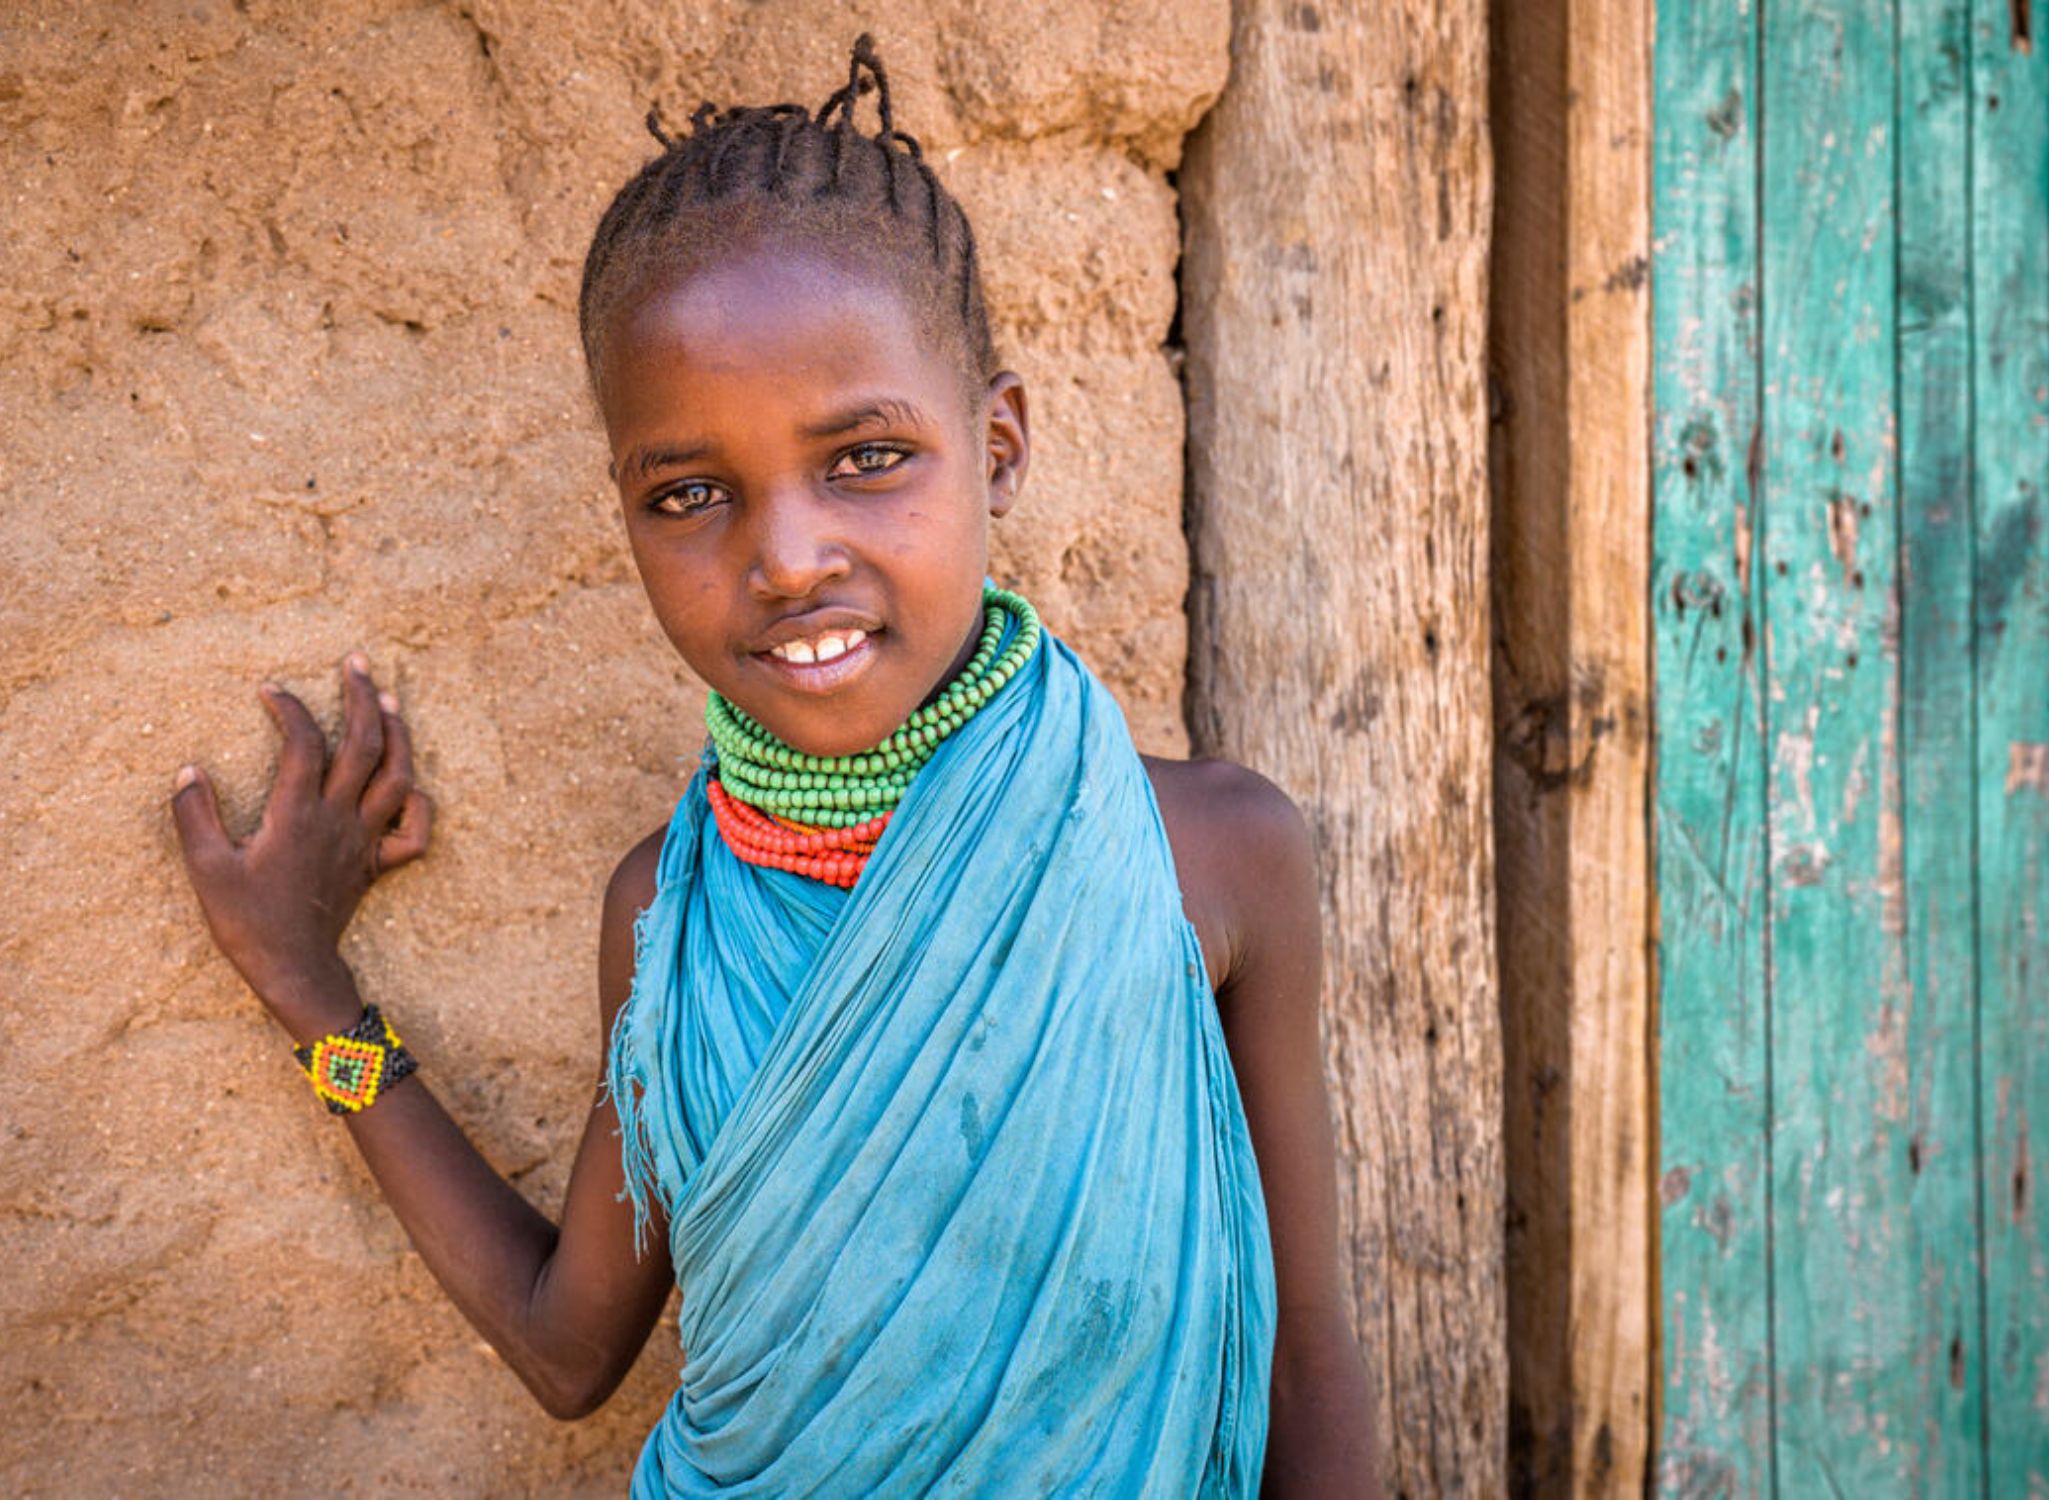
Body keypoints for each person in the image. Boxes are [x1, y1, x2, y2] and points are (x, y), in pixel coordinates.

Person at [168, 33, 1377, 1498]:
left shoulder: (1214, 857)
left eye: (866, 457)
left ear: (995, 446)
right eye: (690, 494)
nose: (787, 558)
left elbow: (1305, 1362)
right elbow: (568, 1354)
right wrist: (312, 993)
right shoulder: (669, 920)